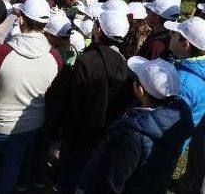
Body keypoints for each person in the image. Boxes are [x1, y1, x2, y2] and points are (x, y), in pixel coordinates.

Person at [0, 0, 61, 194]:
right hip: (32, 125)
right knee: (14, 161)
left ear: (21, 19)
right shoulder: (55, 58)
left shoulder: (1, 53)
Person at [77, 57, 192, 193]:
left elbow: (109, 182)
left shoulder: (131, 135)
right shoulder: (178, 120)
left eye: (136, 79)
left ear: (141, 90)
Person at [57, 11, 134, 193]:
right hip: (103, 134)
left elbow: (72, 98)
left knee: (68, 174)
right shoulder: (125, 65)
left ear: (99, 30)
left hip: (77, 133)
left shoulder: (87, 61)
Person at [166, 17, 205, 193]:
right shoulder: (194, 70)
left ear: (185, 45)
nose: (171, 35)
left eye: (176, 34)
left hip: (161, 148)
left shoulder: (184, 83)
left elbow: (165, 122)